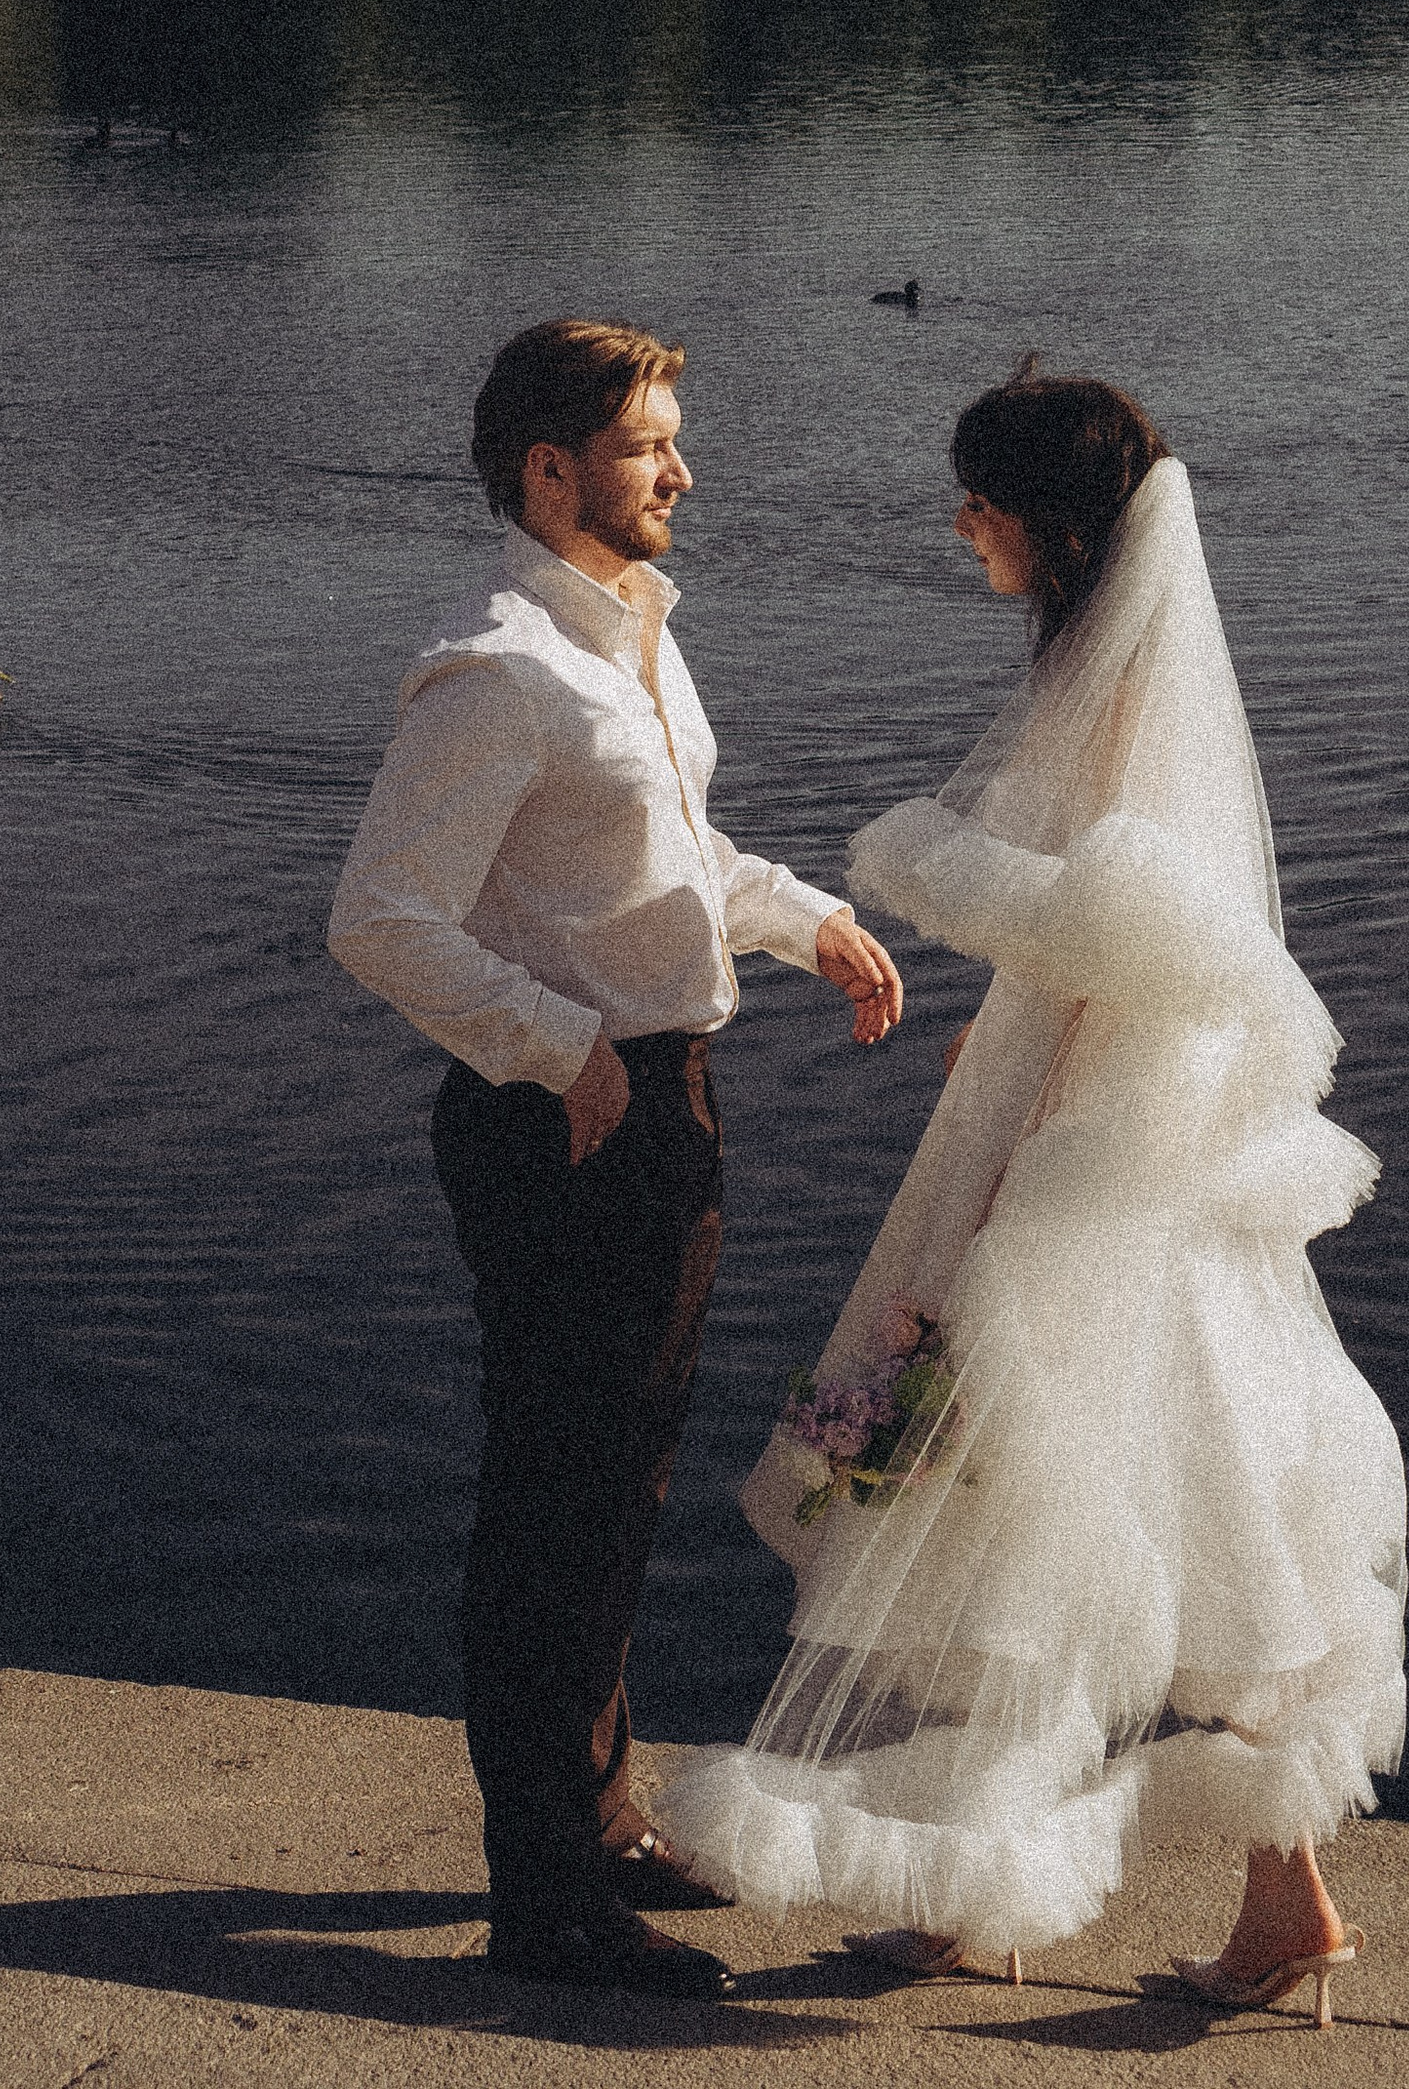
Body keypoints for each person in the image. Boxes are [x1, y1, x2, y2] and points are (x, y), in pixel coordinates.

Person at [657, 364, 1408, 2032]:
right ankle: (1170, 1900)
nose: (962, 527)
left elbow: (1140, 944)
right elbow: (1105, 947)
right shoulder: (1120, 672)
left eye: (981, 503)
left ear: (1050, 527)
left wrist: (1011, 1133)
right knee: (1142, 1517)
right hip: (1116, 1144)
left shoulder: (1126, 693)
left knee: (1045, 1513)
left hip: (1094, 1168)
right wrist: (1004, 1042)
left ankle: (1120, 1901)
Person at [327, 317, 906, 2000]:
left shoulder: (630, 633)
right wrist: (557, 1043)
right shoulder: (500, 670)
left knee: (619, 1489)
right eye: (650, 446)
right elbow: (380, 919)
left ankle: (600, 1826)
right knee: (556, 1504)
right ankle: (546, 1902)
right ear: (549, 470)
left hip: (657, 1102)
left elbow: (664, 854)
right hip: (562, 1119)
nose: (683, 474)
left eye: (671, 440)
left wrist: (805, 920)